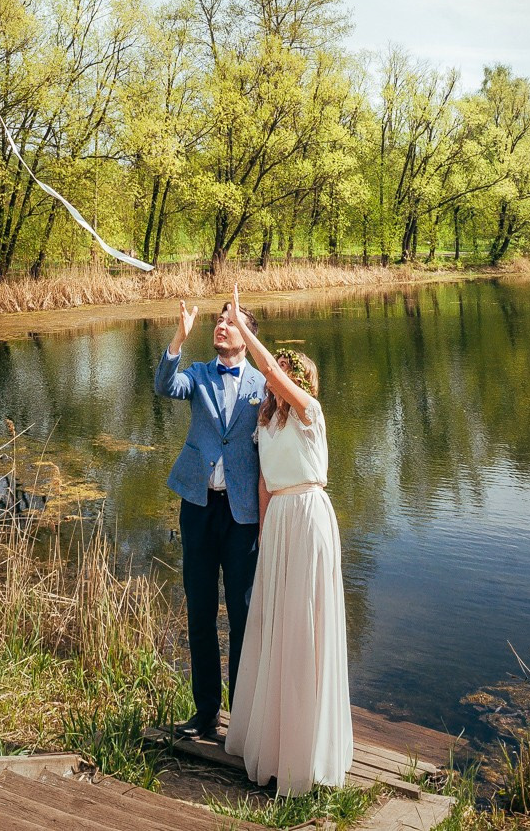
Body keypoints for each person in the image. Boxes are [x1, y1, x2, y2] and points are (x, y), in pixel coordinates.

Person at [223, 285, 353, 795]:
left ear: (298, 380)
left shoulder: (309, 415)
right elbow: (261, 482)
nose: (273, 376)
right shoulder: (268, 422)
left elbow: (272, 374)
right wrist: (260, 532)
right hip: (277, 523)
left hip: (309, 517)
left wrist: (243, 325)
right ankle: (276, 745)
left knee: (306, 626)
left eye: (283, 371)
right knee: (276, 625)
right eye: (276, 371)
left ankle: (308, 755)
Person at [154, 298, 268, 738]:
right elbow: (164, 386)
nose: (221, 327)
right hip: (198, 509)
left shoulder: (263, 384)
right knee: (200, 613)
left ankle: (240, 721)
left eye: (231, 321)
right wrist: (179, 336)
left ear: (246, 334)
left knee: (241, 619)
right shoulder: (199, 374)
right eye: (219, 321)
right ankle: (205, 715)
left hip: (242, 516)